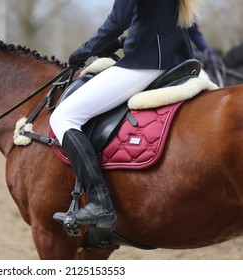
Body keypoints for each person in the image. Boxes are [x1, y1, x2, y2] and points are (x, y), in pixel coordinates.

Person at [50, 0, 201, 231]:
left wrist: (83, 51)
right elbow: (156, 18)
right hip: (176, 59)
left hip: (146, 63)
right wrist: (120, 42)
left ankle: (100, 204)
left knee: (63, 117)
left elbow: (117, 21)